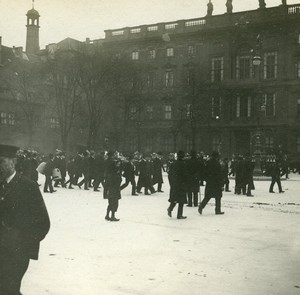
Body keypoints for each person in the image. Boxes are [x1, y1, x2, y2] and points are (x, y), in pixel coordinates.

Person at [0, 144, 50, 294]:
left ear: (13, 161)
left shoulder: (28, 187)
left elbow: (43, 223)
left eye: (1, 161)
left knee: (9, 288)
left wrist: (22, 243)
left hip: (16, 253)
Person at [198, 151, 224, 215]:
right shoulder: (217, 164)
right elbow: (219, 174)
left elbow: (204, 172)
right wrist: (221, 183)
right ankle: (218, 210)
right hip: (216, 182)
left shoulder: (208, 162)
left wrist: (206, 179)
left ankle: (201, 206)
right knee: (218, 197)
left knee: (208, 196)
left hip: (210, 182)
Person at [167, 150, 188, 219]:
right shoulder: (183, 164)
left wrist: (171, 183)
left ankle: (170, 208)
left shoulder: (174, 163)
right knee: (181, 200)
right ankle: (179, 215)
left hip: (175, 184)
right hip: (181, 184)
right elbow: (185, 175)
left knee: (174, 199)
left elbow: (169, 174)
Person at [105, 151, 122, 221]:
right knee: (115, 203)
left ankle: (107, 215)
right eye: (117, 165)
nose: (119, 166)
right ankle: (112, 216)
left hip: (110, 190)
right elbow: (118, 181)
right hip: (115, 190)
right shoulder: (115, 175)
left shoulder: (110, 174)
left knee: (110, 203)